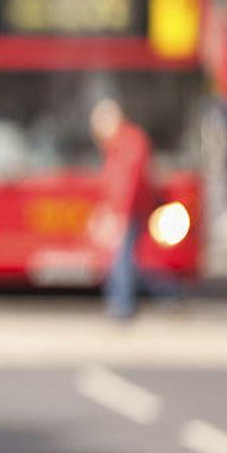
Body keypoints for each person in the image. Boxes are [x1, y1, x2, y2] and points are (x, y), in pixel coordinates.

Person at [90, 98, 155, 320]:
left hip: (128, 211)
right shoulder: (117, 144)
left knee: (122, 260)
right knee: (122, 258)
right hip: (121, 210)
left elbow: (126, 183)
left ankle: (122, 307)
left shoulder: (128, 143)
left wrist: (119, 215)